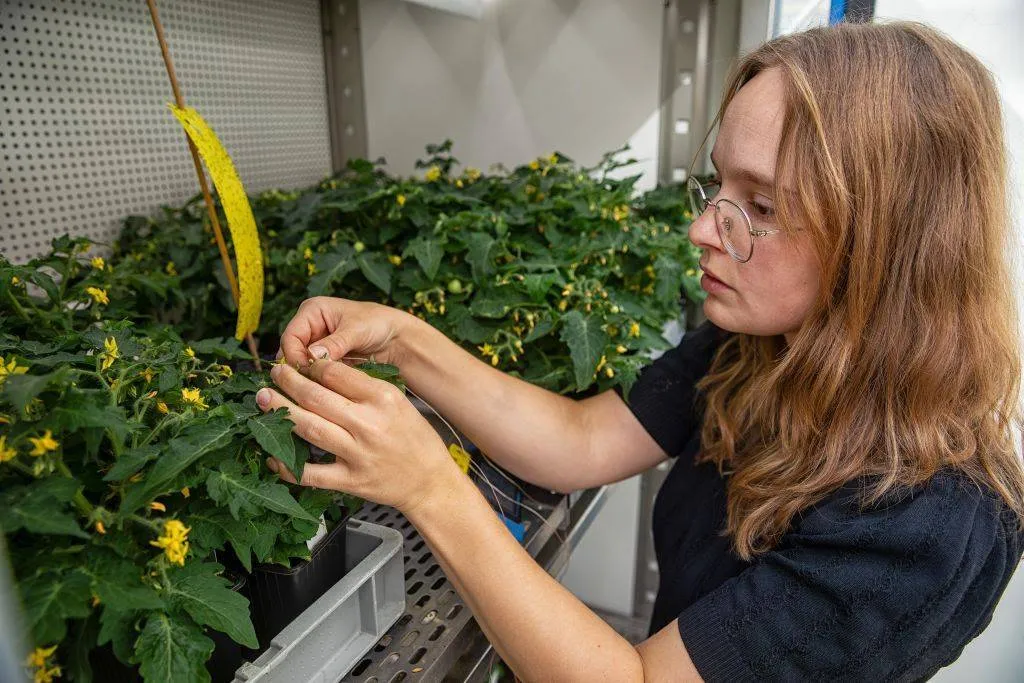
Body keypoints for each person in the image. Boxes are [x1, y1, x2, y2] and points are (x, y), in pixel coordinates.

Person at [254, 20, 1024, 682]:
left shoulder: (927, 527)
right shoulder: (756, 346)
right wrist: (405, 338)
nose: (702, 230)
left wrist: (429, 486)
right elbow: (578, 440)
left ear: (887, 244)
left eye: (758, 205)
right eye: (718, 185)